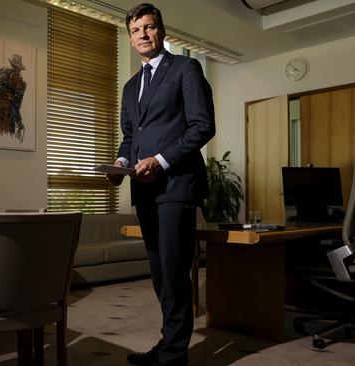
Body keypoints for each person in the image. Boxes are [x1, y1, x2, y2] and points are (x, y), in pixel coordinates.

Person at [106, 3, 215, 365]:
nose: (143, 35)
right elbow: (129, 137)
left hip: (176, 186)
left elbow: (202, 126)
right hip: (143, 189)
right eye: (136, 30)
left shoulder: (186, 69)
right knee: (158, 272)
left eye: (149, 27)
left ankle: (173, 356)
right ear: (131, 37)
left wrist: (162, 160)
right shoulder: (129, 86)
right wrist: (121, 162)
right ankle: (169, 344)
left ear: (162, 31)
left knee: (173, 271)